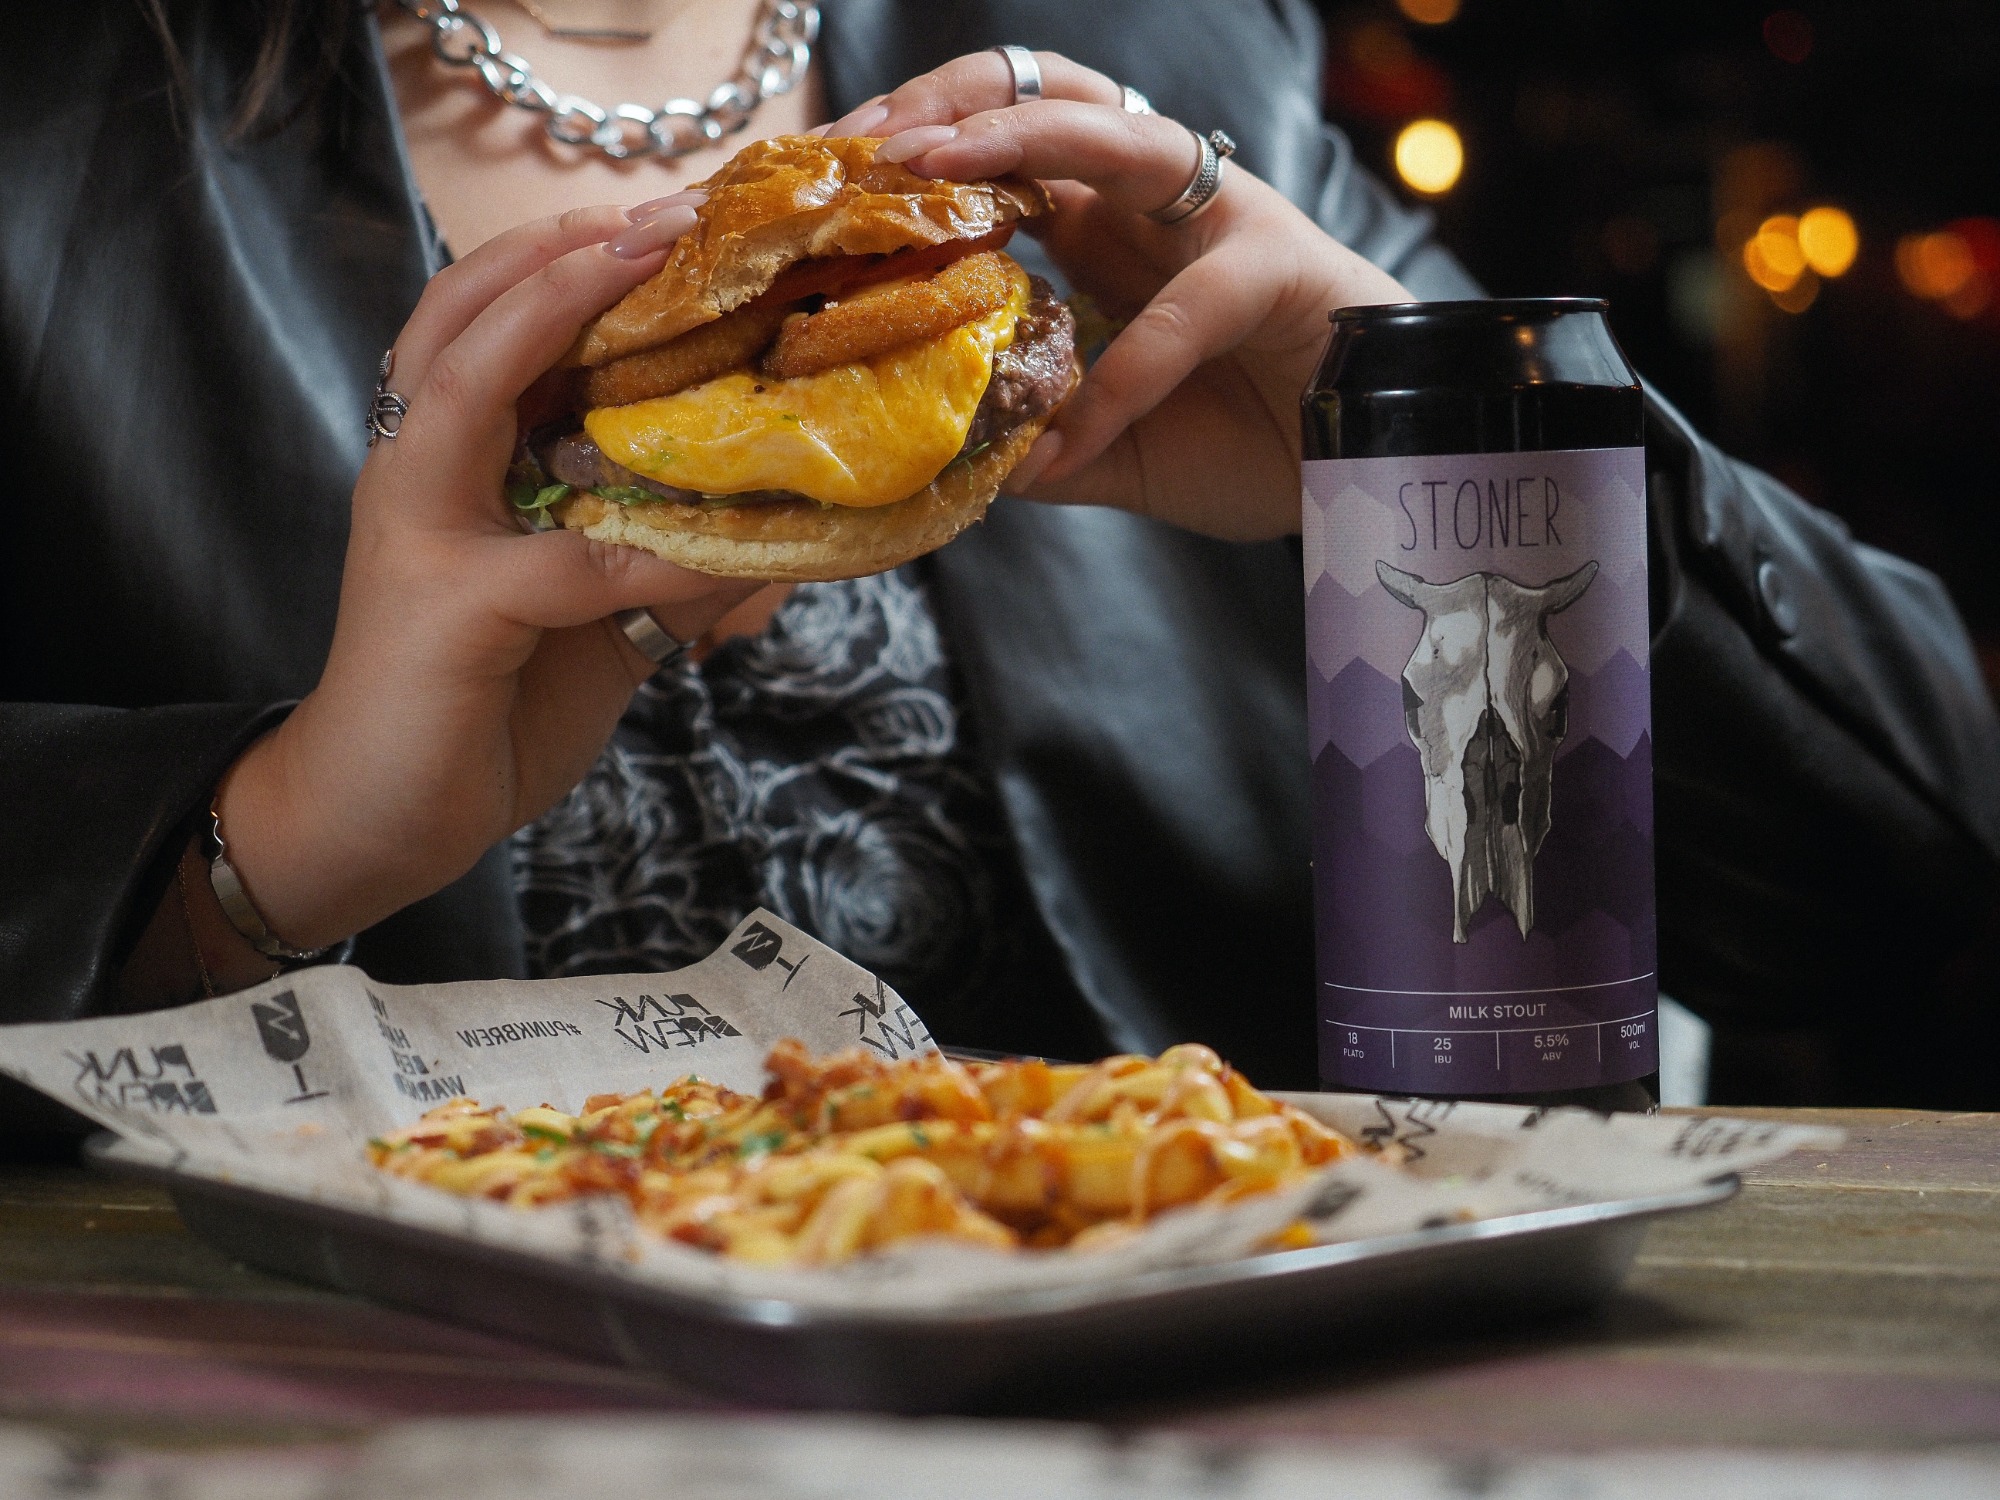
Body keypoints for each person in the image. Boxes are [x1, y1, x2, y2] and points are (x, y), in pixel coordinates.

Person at [2, 1, 1995, 1136]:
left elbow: (1889, 877)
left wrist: (1436, 450)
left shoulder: (1154, 57)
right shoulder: (55, 116)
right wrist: (260, 848)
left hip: (1237, 1360)